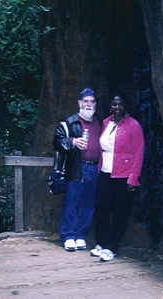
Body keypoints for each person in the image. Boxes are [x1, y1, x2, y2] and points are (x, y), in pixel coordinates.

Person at [90, 91, 144, 261]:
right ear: (110, 106)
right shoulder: (105, 122)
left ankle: (111, 247)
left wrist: (133, 178)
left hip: (124, 175)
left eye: (120, 104)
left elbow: (139, 153)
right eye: (114, 104)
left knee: (121, 213)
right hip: (105, 173)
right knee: (102, 209)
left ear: (125, 105)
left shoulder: (133, 125)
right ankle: (102, 242)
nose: (117, 107)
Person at [53, 88, 103, 251]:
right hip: (76, 168)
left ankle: (81, 235)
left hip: (95, 168)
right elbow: (57, 142)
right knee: (72, 202)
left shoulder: (101, 122)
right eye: (85, 101)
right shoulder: (69, 122)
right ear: (79, 103)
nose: (88, 104)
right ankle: (68, 236)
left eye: (92, 101)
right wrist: (72, 142)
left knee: (88, 204)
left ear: (95, 104)